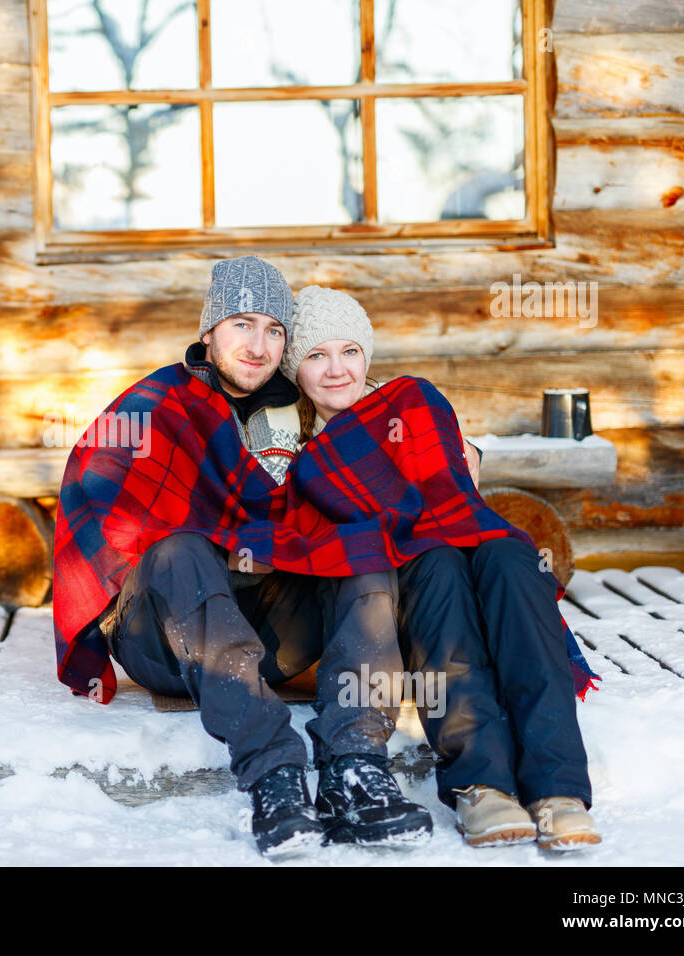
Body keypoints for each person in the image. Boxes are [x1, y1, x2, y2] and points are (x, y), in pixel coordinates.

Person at [53, 256, 432, 856]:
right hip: (168, 636)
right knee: (179, 547)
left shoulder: (305, 406)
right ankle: (276, 772)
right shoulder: (160, 401)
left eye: (275, 330)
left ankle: (356, 763)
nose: (259, 345)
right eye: (242, 324)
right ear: (210, 332)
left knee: (360, 540)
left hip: (274, 627)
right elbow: (93, 499)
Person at [278, 284, 602, 851]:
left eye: (349, 352)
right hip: (380, 583)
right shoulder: (290, 441)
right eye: (316, 355)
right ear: (295, 369)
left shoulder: (410, 402)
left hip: (462, 543)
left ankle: (559, 790)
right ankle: (482, 784)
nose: (336, 371)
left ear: (367, 355)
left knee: (511, 556)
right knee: (437, 564)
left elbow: (457, 492)